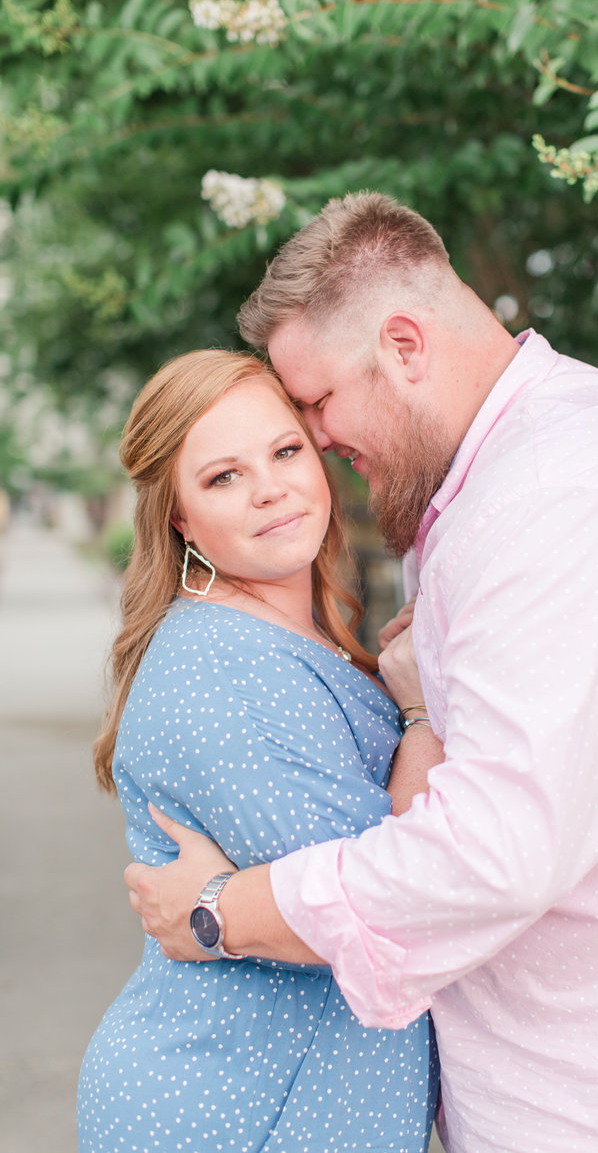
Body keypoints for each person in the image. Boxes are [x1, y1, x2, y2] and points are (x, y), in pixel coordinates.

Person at [126, 196, 598, 1153]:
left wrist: (221, 911)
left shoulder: (565, 502)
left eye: (316, 402)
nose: (316, 440)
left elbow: (491, 849)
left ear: (403, 347)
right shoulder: (504, 481)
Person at [77, 348, 440, 1152]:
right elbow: (383, 905)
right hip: (241, 1110)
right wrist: (417, 712)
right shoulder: (223, 664)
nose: (270, 488)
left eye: (284, 451)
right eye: (223, 477)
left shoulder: (288, 633)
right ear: (179, 518)